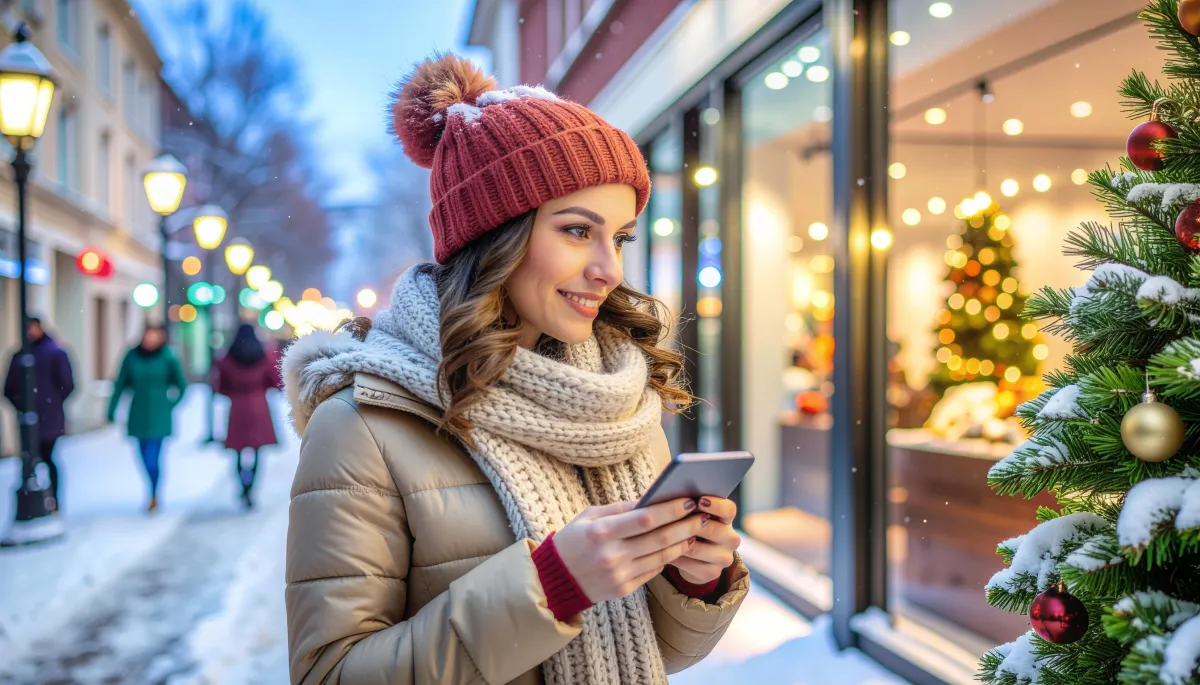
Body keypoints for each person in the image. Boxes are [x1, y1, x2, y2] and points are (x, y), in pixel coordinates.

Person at [281, 54, 748, 685]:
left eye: (621, 237)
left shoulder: (610, 405)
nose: (609, 269)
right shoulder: (363, 426)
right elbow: (330, 675)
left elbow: (654, 652)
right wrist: (551, 587)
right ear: (494, 236)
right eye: (579, 230)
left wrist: (693, 578)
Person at [106, 325, 188, 513]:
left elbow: (182, 386)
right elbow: (120, 384)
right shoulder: (132, 356)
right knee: (142, 455)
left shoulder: (168, 357)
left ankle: (153, 492)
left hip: (159, 413)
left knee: (153, 456)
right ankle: (151, 489)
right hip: (138, 412)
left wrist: (169, 405)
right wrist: (111, 410)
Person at [3, 317, 74, 511]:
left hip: (49, 418)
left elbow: (67, 384)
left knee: (47, 458)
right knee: (29, 461)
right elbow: (8, 387)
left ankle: (52, 500)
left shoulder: (54, 353)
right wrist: (22, 407)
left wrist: (50, 403)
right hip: (30, 417)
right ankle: (37, 501)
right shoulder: (19, 356)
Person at [212, 324, 281, 508]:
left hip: (237, 409)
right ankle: (251, 487)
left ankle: (242, 485)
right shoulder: (263, 356)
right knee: (258, 451)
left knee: (237, 451)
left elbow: (220, 386)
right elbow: (274, 381)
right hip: (259, 407)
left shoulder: (228, 358)